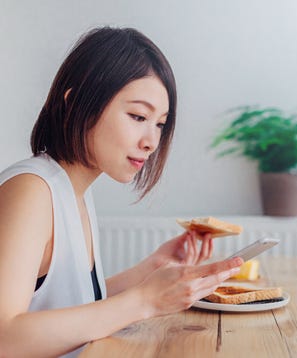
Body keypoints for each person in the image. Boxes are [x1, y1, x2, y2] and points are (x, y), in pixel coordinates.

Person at [0, 27, 242, 357]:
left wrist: (151, 270)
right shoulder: (31, 191)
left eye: (159, 123)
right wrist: (143, 300)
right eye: (138, 116)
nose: (152, 141)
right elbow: (5, 336)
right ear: (76, 104)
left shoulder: (72, 193)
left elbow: (72, 307)